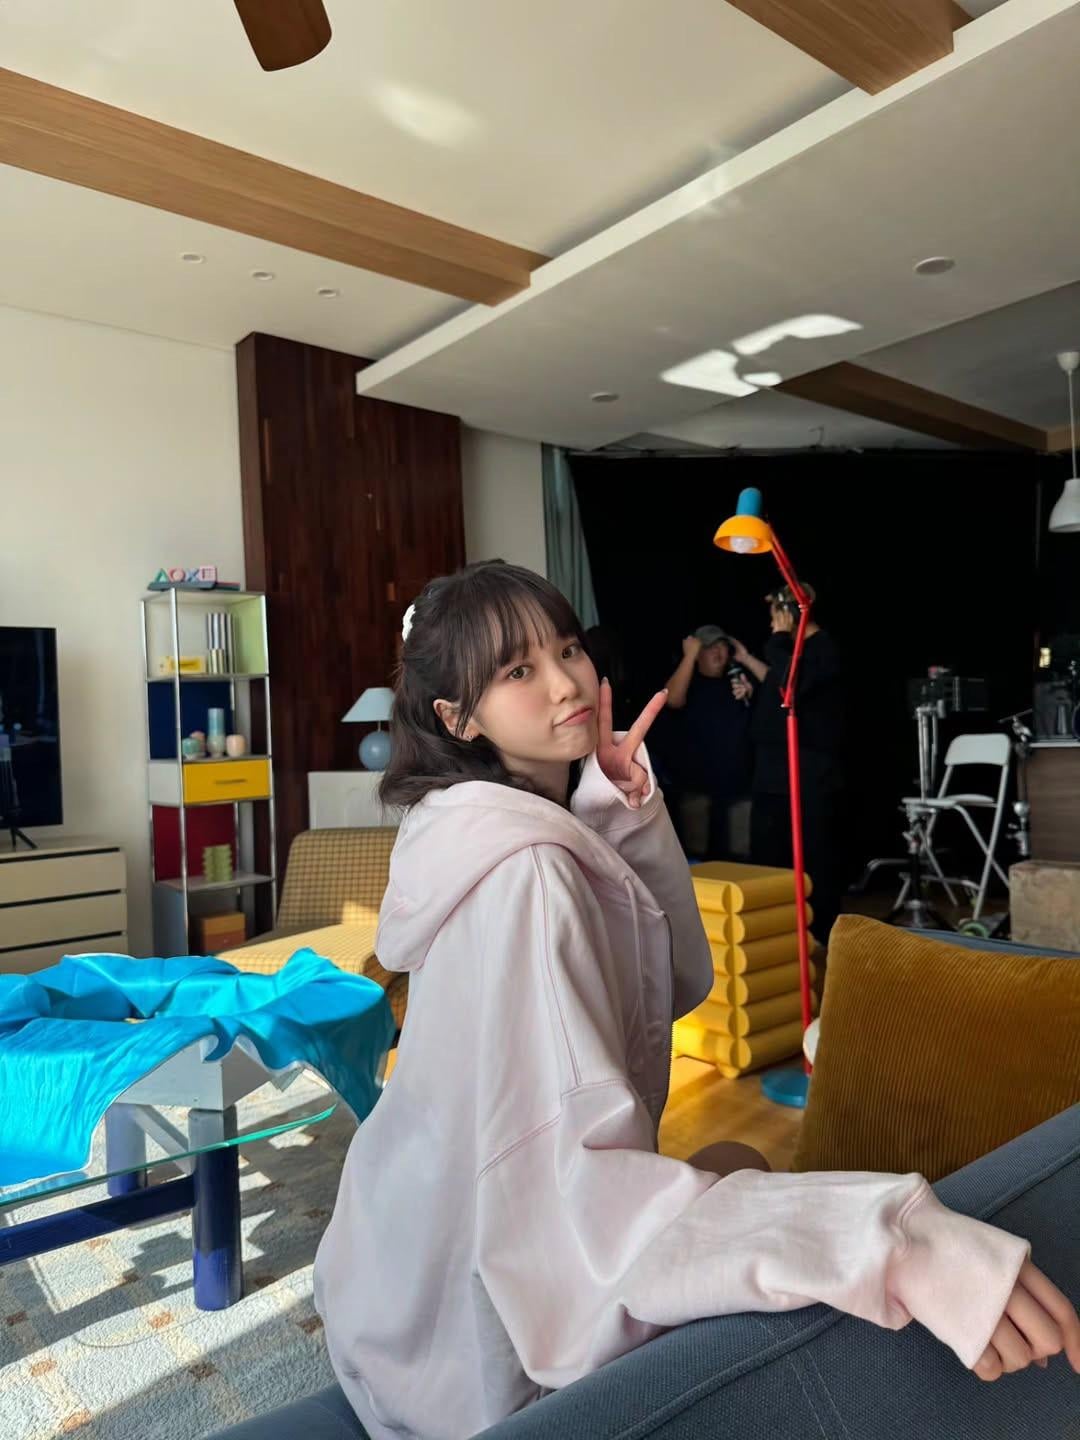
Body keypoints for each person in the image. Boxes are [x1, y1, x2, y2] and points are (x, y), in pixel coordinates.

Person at [314, 560, 1078, 1440]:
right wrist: (890, 1240)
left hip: (390, 1263)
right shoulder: (527, 875)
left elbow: (671, 983)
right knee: (748, 1190)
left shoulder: (468, 826)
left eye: (567, 649)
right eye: (518, 670)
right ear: (459, 718)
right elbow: (570, 1211)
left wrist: (619, 815)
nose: (566, 683)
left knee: (736, 1155)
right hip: (469, 1345)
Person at [732, 585, 847, 944]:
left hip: (805, 772)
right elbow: (781, 685)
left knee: (813, 856)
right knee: (769, 855)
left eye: (776, 618)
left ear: (789, 614)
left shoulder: (821, 649)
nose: (772, 626)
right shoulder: (792, 653)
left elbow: (796, 684)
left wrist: (779, 640)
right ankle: (779, 934)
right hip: (774, 770)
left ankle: (821, 936)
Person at [662, 625, 752, 859]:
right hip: (697, 792)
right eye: (710, 647)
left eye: (722, 646)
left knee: (739, 860)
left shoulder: (739, 683)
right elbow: (672, 699)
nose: (718, 652)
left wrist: (750, 693)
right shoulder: (688, 682)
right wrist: (689, 655)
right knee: (698, 860)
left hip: (736, 791)